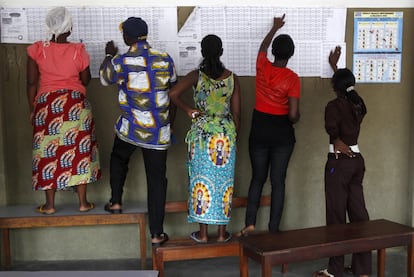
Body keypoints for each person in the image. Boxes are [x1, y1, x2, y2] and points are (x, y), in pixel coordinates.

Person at [99, 17, 177, 246]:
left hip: (132, 127)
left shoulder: (121, 61)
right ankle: (156, 234)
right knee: (156, 180)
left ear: (126, 38)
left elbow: (104, 79)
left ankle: (115, 201)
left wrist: (108, 55)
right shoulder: (164, 59)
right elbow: (173, 83)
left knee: (118, 157)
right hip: (157, 131)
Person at [26, 6, 101, 215]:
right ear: (69, 28)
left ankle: (49, 205)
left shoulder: (38, 49)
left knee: (46, 153)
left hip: (46, 106)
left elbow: (31, 82)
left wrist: (32, 109)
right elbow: (86, 80)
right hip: (75, 104)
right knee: (79, 150)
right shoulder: (78, 50)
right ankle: (83, 202)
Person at [169, 34, 241, 243]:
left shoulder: (196, 76)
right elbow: (237, 114)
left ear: (202, 52)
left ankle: (202, 234)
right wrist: (232, 135)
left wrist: (188, 110)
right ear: (221, 52)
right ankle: (221, 234)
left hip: (201, 136)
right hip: (225, 135)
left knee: (201, 182)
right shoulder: (232, 78)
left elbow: (173, 94)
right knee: (224, 183)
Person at [238, 14, 300, 236]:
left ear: (274, 52)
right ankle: (274, 228)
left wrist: (274, 28)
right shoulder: (292, 78)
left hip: (260, 130)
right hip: (282, 133)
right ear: (291, 55)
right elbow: (293, 115)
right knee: (278, 181)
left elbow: (263, 45)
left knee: (257, 178)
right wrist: (296, 115)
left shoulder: (262, 65)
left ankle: (250, 224)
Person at [313, 46, 371, 277]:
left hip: (339, 164)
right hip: (357, 161)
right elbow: (346, 89)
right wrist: (336, 68)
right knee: (359, 217)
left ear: (334, 86)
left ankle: (334, 271)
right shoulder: (359, 105)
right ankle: (363, 270)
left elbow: (333, 131)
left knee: (336, 217)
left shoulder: (333, 107)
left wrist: (336, 140)